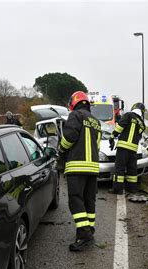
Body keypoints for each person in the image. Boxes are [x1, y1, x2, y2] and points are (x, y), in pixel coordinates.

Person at [59, 91, 102, 252]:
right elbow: (96, 146)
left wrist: (60, 149)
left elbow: (69, 138)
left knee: (75, 200)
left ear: (74, 103)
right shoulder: (96, 121)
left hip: (77, 167)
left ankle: (84, 236)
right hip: (93, 168)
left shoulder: (75, 116)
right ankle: (88, 230)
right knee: (89, 201)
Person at [109, 102, 146, 195]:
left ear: (133, 108)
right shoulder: (142, 123)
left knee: (119, 169)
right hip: (133, 150)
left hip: (123, 148)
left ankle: (117, 189)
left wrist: (112, 137)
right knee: (132, 170)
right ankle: (132, 189)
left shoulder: (128, 115)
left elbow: (119, 127)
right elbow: (139, 136)